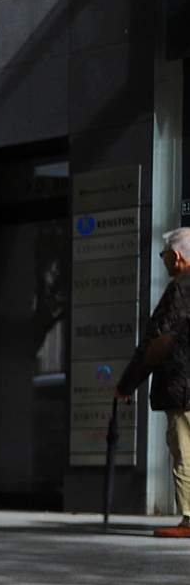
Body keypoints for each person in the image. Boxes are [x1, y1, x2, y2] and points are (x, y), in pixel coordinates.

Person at [118, 226, 190, 538]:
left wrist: (126, 384)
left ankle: (189, 520)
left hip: (183, 387)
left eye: (163, 255)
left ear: (177, 257)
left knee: (185, 450)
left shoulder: (181, 289)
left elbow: (153, 343)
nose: (163, 261)